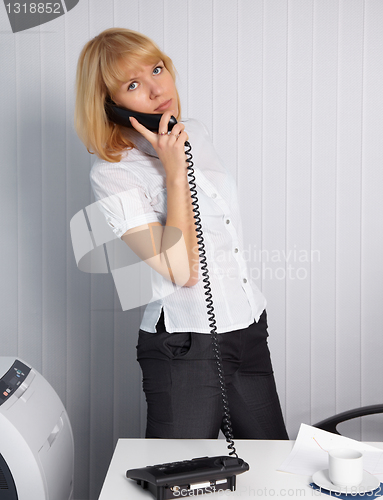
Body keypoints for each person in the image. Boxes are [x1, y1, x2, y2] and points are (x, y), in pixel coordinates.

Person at [75, 27, 288, 440]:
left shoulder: (197, 133)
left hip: (247, 329)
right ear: (109, 104)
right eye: (133, 84)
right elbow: (181, 271)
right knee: (178, 479)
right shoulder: (112, 175)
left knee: (271, 467)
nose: (157, 90)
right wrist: (174, 172)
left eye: (157, 69)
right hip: (184, 347)